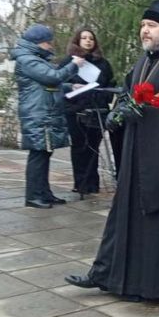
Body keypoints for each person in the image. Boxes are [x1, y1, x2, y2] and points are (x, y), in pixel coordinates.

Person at [65, 0, 159, 301]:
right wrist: (118, 114)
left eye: (152, 25)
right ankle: (106, 274)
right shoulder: (143, 62)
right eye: (143, 25)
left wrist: (148, 114)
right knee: (123, 218)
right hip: (137, 157)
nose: (145, 31)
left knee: (156, 225)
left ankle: (153, 285)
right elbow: (129, 96)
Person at [11, 24, 84, 210]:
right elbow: (52, 77)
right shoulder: (28, 60)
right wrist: (74, 65)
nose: (51, 46)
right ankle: (33, 196)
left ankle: (43, 193)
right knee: (38, 154)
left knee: (44, 152)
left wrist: (69, 87)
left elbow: (45, 85)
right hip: (37, 113)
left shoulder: (33, 58)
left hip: (43, 111)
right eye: (48, 42)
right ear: (38, 43)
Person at [60, 28, 115, 196]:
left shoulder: (103, 63)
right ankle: (80, 183)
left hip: (97, 110)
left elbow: (110, 84)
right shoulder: (69, 62)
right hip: (75, 111)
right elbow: (60, 82)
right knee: (78, 147)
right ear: (78, 40)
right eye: (84, 38)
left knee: (93, 148)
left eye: (91, 38)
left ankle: (92, 183)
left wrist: (103, 98)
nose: (88, 41)